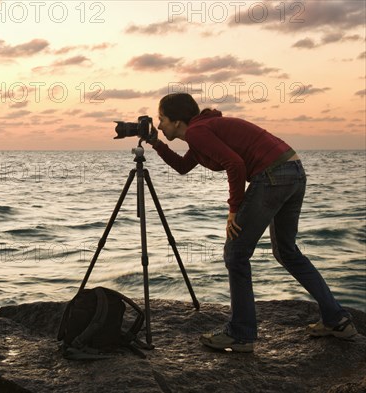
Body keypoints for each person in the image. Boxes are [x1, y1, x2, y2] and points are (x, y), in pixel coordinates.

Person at [144, 93, 357, 353]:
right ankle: (337, 320)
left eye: (162, 119)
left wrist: (234, 209)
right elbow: (182, 166)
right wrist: (156, 143)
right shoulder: (202, 134)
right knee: (288, 252)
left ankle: (241, 334)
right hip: (293, 171)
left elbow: (235, 164)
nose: (160, 125)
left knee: (236, 254)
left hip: (272, 175)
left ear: (177, 122)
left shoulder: (199, 132)